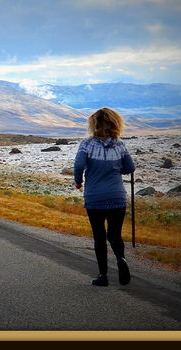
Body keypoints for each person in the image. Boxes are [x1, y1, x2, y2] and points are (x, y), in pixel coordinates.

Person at [73, 107, 135, 287]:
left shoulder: (87, 144)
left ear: (94, 125)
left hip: (95, 197)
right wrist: (116, 169)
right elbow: (130, 167)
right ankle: (121, 259)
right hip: (117, 197)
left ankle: (103, 276)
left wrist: (78, 181)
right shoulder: (120, 144)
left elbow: (78, 165)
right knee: (115, 235)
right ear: (115, 123)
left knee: (99, 237)